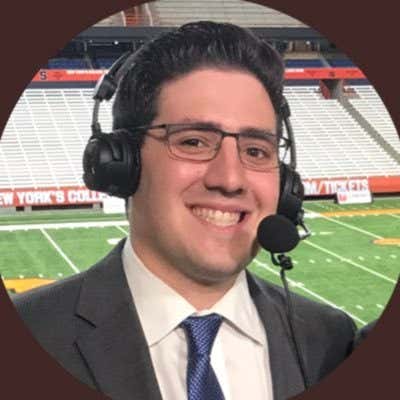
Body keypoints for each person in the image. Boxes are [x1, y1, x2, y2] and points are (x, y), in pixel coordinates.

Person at [13, 21, 357, 400]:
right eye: (194, 142)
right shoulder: (29, 331)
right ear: (122, 163)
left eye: (256, 150)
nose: (230, 179)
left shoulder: (330, 341)